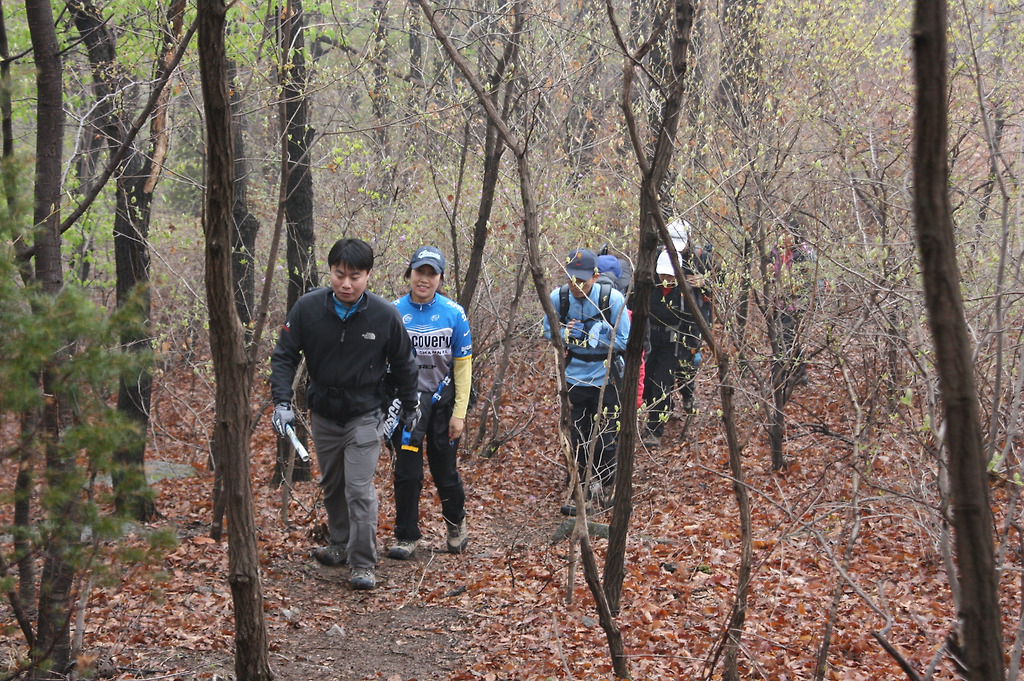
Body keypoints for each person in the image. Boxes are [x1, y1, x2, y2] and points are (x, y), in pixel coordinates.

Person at [269, 238, 420, 591]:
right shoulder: (308, 309)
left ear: (368, 275)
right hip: (323, 412)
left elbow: (404, 364)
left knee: (358, 488)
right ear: (330, 272)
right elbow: (284, 356)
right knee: (333, 483)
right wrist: (281, 402)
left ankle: (363, 563)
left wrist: (411, 407)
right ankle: (339, 543)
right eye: (339, 275)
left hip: (366, 413)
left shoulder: (384, 315)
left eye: (355, 276)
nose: (346, 284)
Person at [386, 246, 473, 560]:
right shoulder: (392, 311)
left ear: (440, 278)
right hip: (407, 406)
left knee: (444, 472)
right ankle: (406, 535)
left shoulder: (454, 313)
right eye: (418, 271)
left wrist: (459, 414)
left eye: (431, 273)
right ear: (409, 273)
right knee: (407, 473)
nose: (424, 279)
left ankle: (455, 523)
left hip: (442, 406)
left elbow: (463, 367)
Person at [543, 248, 630, 514]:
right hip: (574, 377)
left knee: (605, 438)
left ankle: (606, 486)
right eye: (571, 279)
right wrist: (570, 335)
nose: (576, 285)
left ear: (595, 275)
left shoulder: (613, 299)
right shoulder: (560, 298)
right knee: (576, 435)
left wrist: (600, 333)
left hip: (606, 377)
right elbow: (548, 330)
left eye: (582, 280)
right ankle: (578, 489)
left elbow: (625, 340)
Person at [641, 220, 713, 446]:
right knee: (649, 383)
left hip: (675, 342)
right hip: (651, 340)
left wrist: (691, 346)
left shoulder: (697, 265)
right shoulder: (651, 274)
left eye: (671, 276)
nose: (667, 280)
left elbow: (695, 317)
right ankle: (663, 410)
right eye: (663, 275)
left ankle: (655, 428)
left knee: (666, 380)